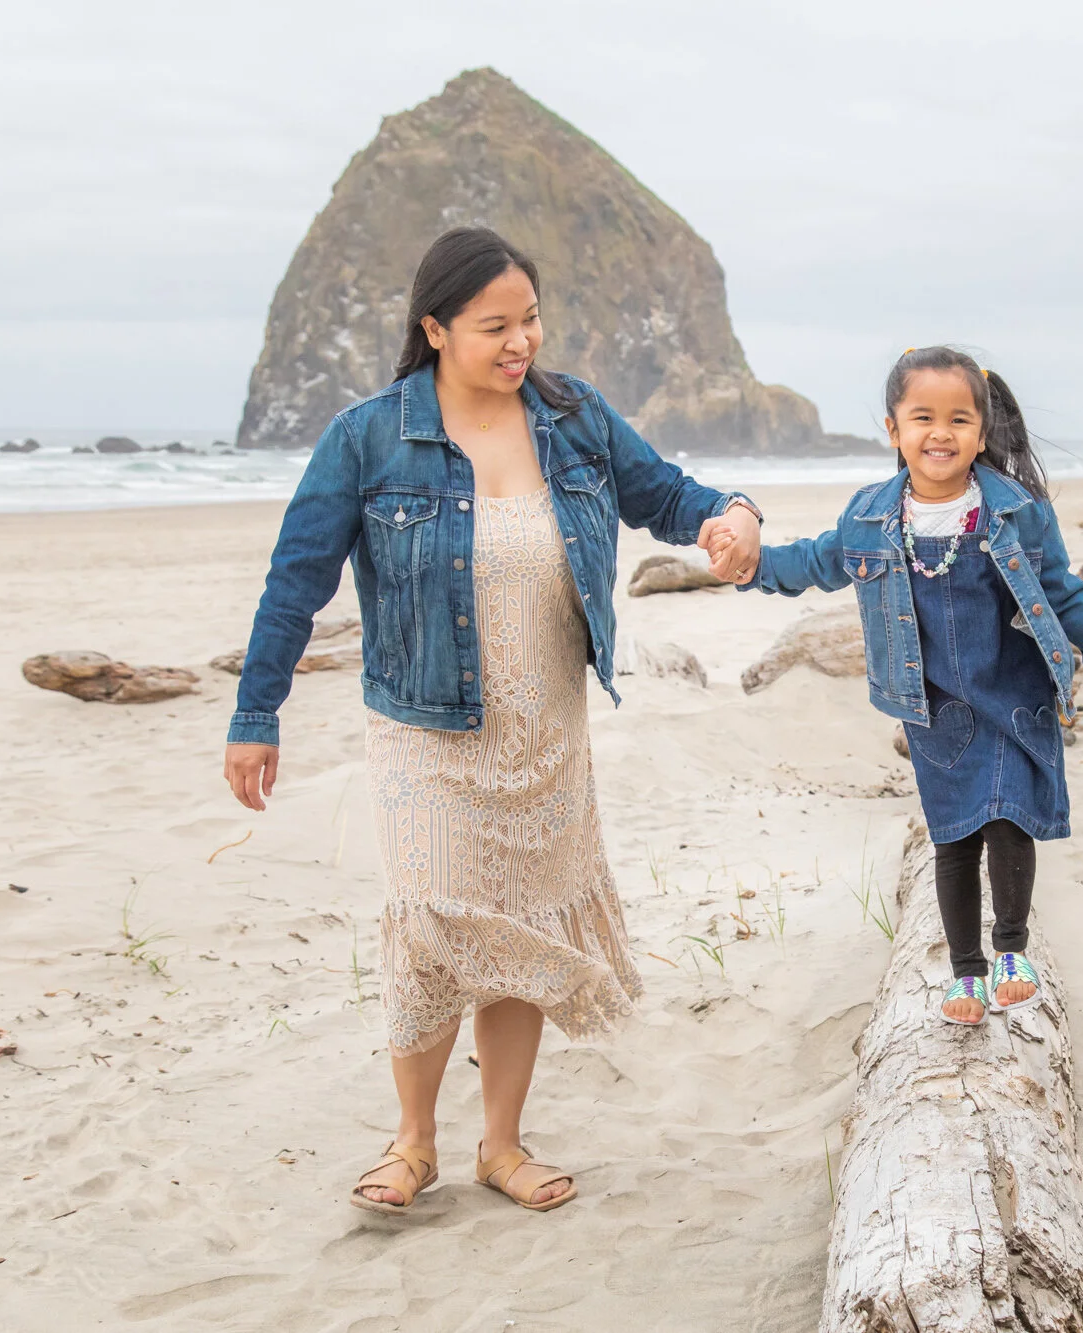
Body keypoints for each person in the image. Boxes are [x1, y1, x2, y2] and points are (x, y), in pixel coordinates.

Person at [221, 227, 763, 1215]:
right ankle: (412, 1140)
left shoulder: (571, 416)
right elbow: (295, 580)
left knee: (517, 929)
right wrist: (256, 710)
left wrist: (733, 518)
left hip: (545, 731)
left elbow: (669, 497)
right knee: (433, 924)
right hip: (425, 730)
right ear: (433, 328)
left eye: (530, 320)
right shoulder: (369, 438)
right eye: (493, 326)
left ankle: (501, 1143)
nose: (521, 342)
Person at [709, 346, 1083, 1025]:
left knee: (1011, 816)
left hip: (1013, 688)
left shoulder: (1016, 512)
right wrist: (751, 564)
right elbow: (811, 561)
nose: (941, 432)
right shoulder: (872, 517)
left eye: (959, 418)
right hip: (937, 707)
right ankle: (965, 974)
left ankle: (1011, 949)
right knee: (955, 836)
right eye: (922, 417)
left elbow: (1064, 596)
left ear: (982, 433)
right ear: (893, 430)